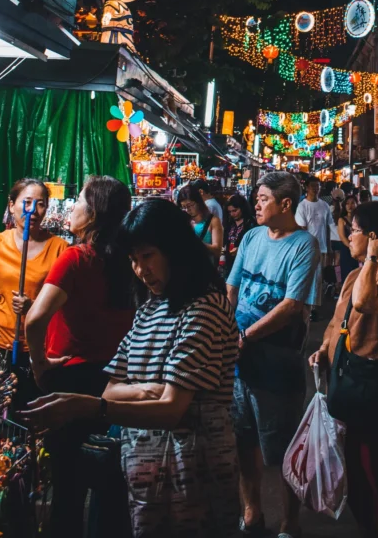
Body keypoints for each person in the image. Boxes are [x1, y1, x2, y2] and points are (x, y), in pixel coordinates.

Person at [23, 198, 239, 538]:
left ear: (176, 250)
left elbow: (169, 411)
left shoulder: (204, 309)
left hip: (194, 472)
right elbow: (114, 388)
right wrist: (155, 389)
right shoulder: (151, 309)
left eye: (148, 256)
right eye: (134, 260)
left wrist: (88, 406)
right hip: (146, 469)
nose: (141, 270)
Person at [26, 175, 135, 538]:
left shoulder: (75, 258)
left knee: (67, 486)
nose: (70, 209)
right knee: (110, 482)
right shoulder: (129, 260)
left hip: (70, 381)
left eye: (78, 202)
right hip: (116, 384)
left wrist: (40, 365)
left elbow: (35, 319)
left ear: (93, 214)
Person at [311, 201, 378, 538]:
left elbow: (364, 303)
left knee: (376, 473)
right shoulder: (355, 275)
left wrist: (372, 256)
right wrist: (324, 349)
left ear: (372, 237)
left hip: (375, 392)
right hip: (347, 384)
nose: (348, 236)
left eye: (353, 230)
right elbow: (340, 318)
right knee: (354, 470)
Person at [227, 171, 320, 538]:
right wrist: (226, 328)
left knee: (283, 449)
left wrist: (245, 336)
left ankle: (290, 521)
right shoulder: (250, 237)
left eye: (264, 198)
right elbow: (232, 287)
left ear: (286, 204)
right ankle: (252, 513)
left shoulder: (304, 245)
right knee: (241, 441)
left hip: (277, 361)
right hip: (238, 358)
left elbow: (291, 305)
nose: (257, 204)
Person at [0, 179, 68, 397]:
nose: (34, 211)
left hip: (39, 349)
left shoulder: (60, 249)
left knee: (31, 412)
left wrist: (35, 307)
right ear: (11, 205)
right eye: (27, 202)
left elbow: (70, 306)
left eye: (40, 204)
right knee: (0, 414)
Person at [295, 175, 332, 318]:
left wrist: (329, 248)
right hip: (308, 249)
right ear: (306, 187)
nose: (315, 189)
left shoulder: (324, 205)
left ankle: (313, 307)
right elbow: (302, 229)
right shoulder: (302, 206)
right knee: (310, 278)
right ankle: (308, 307)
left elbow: (327, 228)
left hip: (322, 247)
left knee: (318, 279)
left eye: (318, 186)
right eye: (313, 186)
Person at [177, 182, 224, 261]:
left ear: (198, 202)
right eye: (184, 207)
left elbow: (217, 251)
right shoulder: (184, 220)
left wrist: (194, 242)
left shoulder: (213, 221)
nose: (187, 210)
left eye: (190, 205)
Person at [224, 193, 256, 273]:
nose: (232, 214)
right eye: (230, 212)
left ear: (242, 208)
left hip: (245, 265)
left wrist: (240, 249)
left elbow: (256, 246)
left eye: (235, 210)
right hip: (230, 264)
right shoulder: (229, 224)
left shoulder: (251, 224)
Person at [337, 193, 359, 282]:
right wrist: (351, 247)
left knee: (357, 272)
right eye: (347, 203)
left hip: (358, 248)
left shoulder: (359, 219)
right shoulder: (342, 220)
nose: (350, 206)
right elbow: (342, 237)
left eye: (353, 203)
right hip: (346, 249)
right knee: (347, 273)